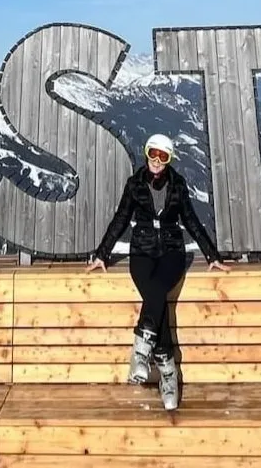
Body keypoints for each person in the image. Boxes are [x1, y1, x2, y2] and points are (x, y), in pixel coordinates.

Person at [85, 133, 229, 410]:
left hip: (172, 253)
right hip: (141, 252)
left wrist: (212, 255)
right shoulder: (134, 185)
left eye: (163, 156)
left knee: (157, 293)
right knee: (157, 297)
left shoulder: (178, 185)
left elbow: (191, 220)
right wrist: (102, 254)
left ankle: (141, 353)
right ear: (146, 153)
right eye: (152, 153)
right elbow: (121, 218)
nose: (156, 161)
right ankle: (167, 373)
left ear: (169, 159)